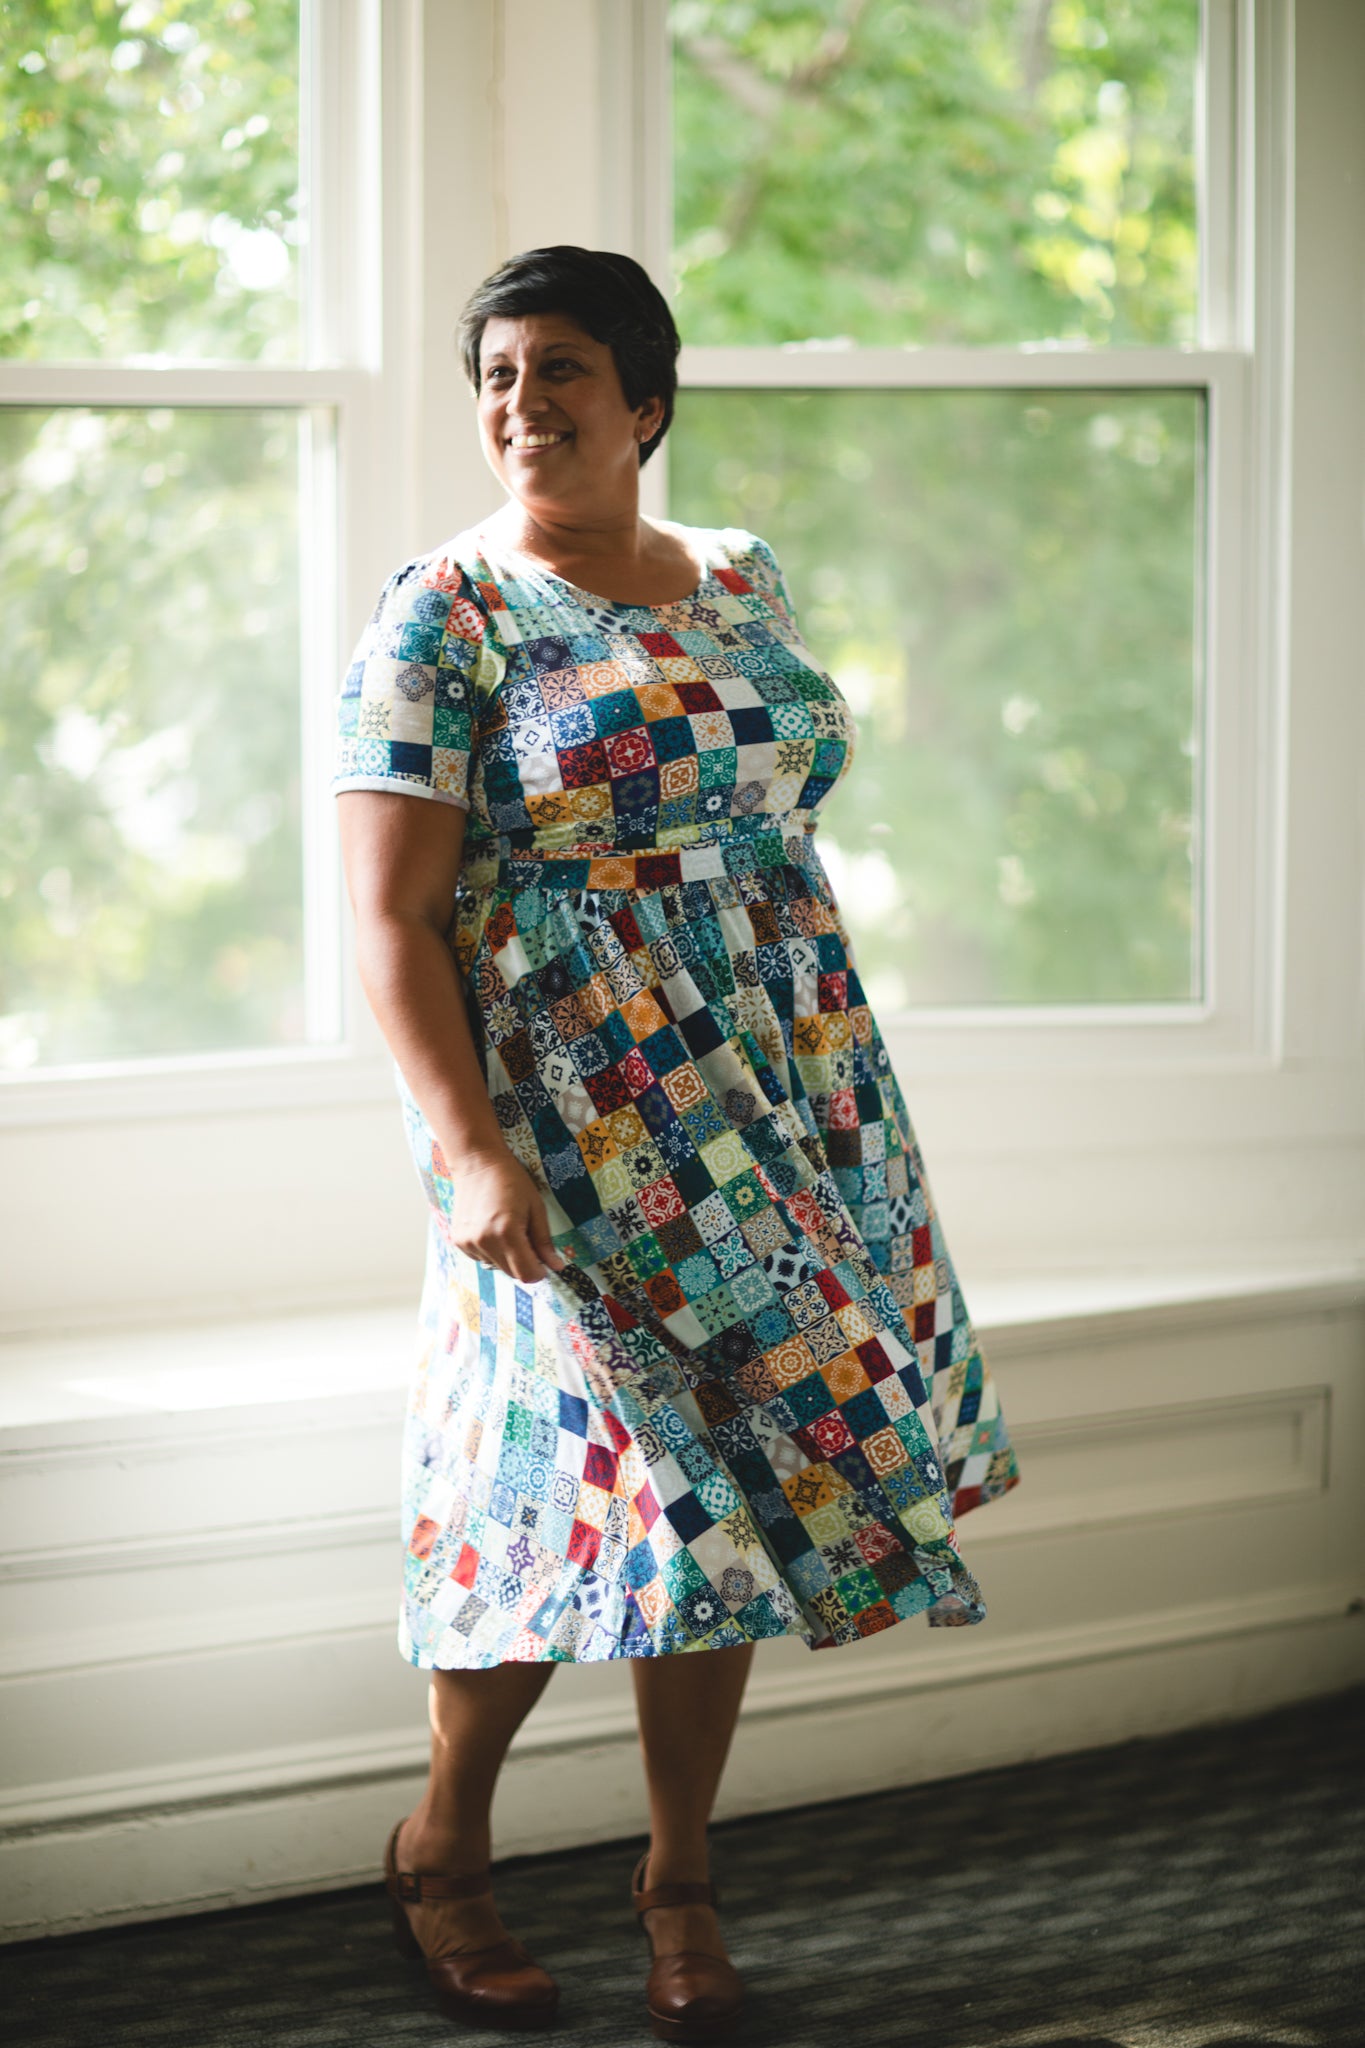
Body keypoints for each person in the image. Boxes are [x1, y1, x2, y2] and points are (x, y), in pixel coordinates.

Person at [334, 244, 1020, 2041]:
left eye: (558, 366)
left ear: (644, 400)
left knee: (738, 1476)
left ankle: (679, 1879)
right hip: (567, 1112)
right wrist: (472, 1154)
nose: (519, 402)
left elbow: (769, 817)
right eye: (495, 373)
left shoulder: (736, 573)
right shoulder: (443, 615)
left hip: (779, 1086)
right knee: (550, 1479)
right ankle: (443, 1843)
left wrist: (815, 1083)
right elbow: (390, 921)